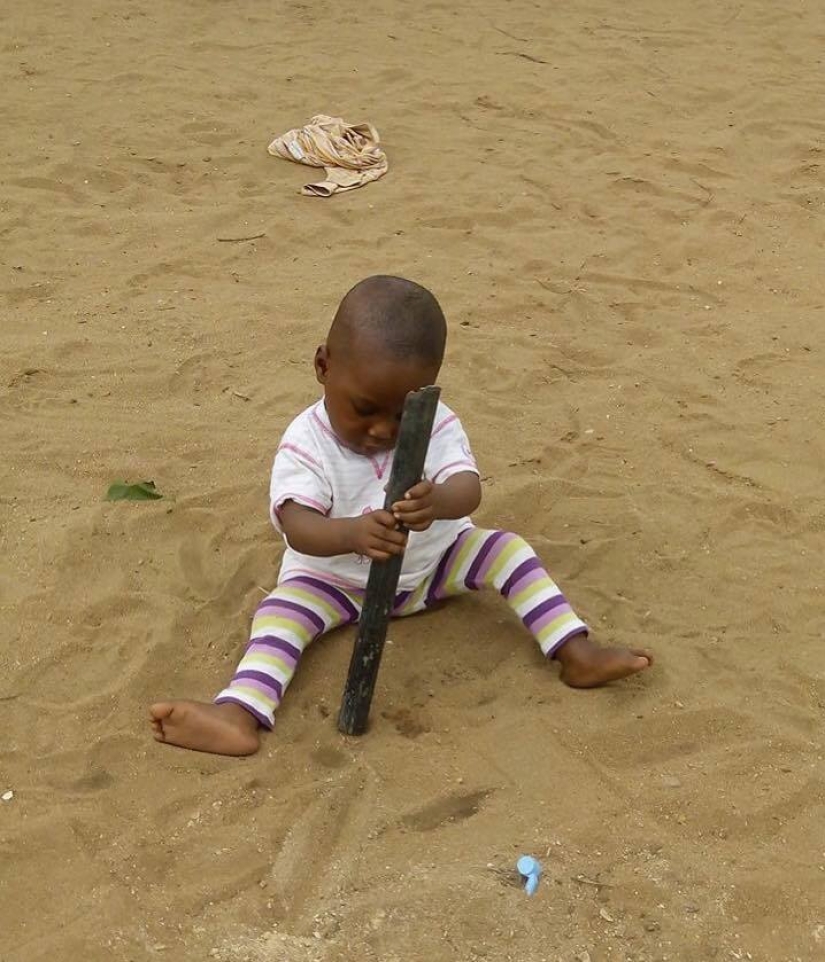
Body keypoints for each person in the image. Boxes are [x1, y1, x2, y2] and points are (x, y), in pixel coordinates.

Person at [150, 276, 651, 755]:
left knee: (508, 551)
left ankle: (573, 651)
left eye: (401, 414)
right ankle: (239, 712)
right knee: (280, 616)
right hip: (336, 581)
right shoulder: (307, 443)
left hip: (433, 566)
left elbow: (467, 487)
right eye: (365, 409)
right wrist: (350, 533)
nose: (381, 430)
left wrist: (438, 504)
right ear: (324, 366)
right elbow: (298, 527)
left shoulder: (435, 423)